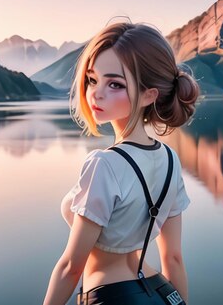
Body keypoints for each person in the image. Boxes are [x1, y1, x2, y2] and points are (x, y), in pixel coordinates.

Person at [43, 22, 199, 305]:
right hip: (162, 293)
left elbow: (71, 267)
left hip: (110, 296)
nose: (96, 93)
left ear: (150, 95)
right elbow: (173, 259)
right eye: (92, 79)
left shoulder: (104, 165)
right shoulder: (170, 160)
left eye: (115, 84)